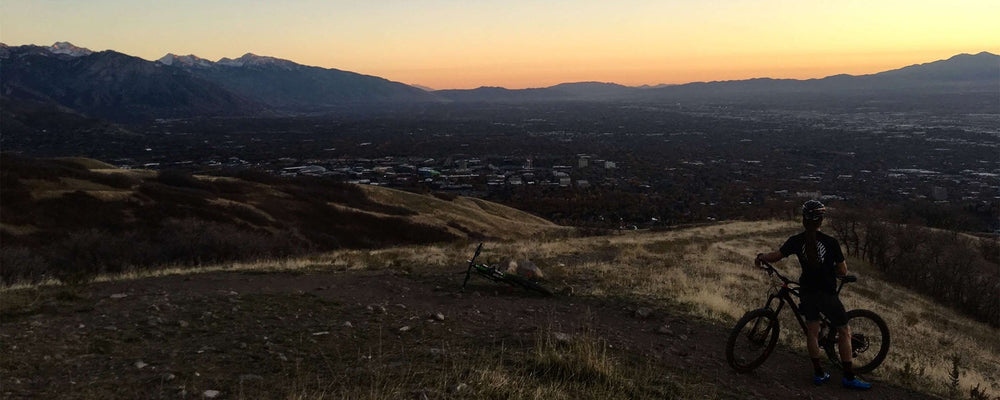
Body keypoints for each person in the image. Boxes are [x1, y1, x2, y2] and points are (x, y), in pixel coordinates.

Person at [754, 200, 872, 390]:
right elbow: (842, 270)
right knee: (844, 331)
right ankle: (849, 377)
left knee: (812, 332)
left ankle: (819, 373)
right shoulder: (830, 243)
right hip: (826, 293)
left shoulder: (796, 241)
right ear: (821, 221)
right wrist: (831, 269)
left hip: (807, 292)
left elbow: (776, 255)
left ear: (803, 220)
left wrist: (761, 257)